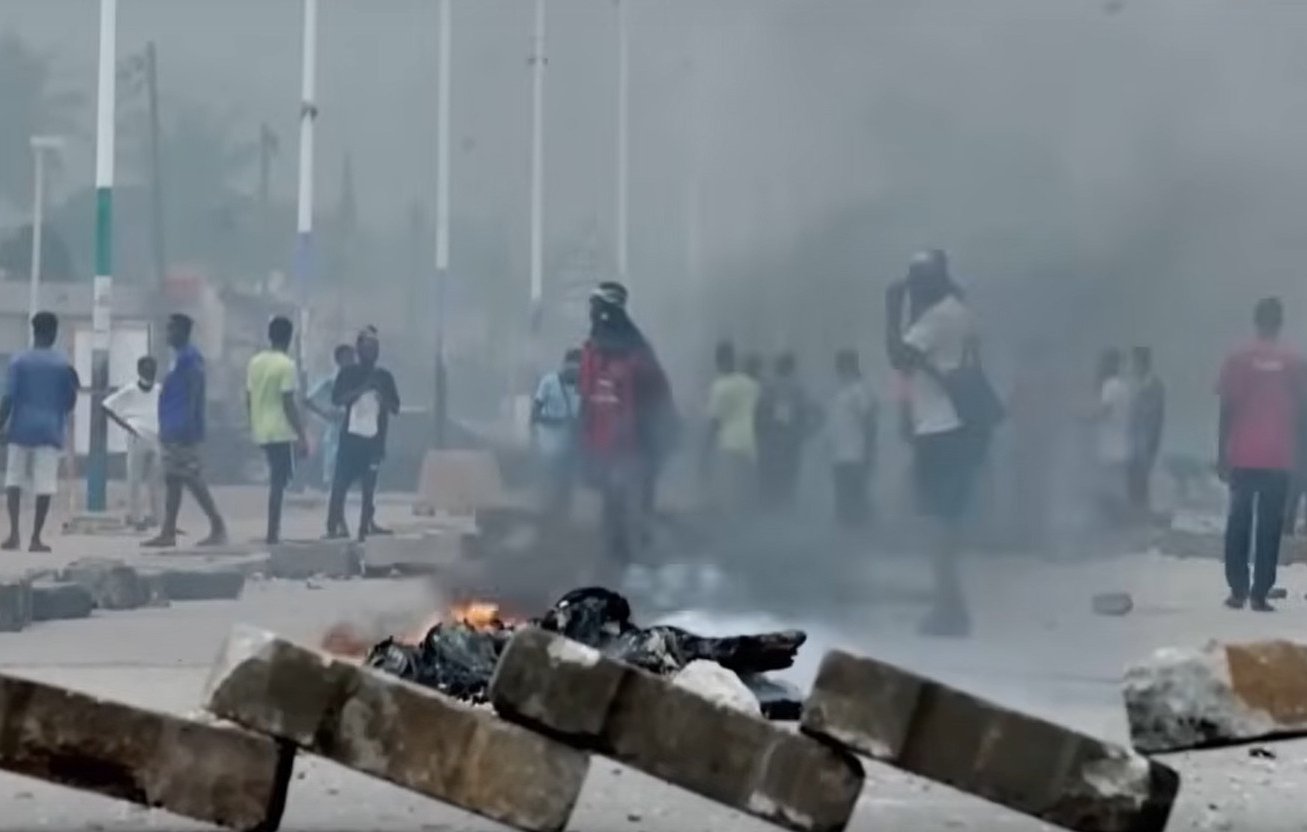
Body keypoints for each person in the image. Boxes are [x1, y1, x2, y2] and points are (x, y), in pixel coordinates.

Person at [887, 249, 996, 637]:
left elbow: (898, 356)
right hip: (953, 427)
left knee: (937, 524)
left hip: (940, 429)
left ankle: (950, 609)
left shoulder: (937, 318)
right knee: (944, 522)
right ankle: (951, 605)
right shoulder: (959, 310)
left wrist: (891, 308)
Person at [1217, 297, 1305, 612]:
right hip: (1278, 456)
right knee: (1270, 526)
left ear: (1256, 321)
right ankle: (1260, 592)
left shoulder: (1238, 358)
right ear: (1279, 323)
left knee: (1238, 521)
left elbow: (1227, 407)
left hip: (1243, 452)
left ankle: (1237, 589)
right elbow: (1301, 414)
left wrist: (1221, 452)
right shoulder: (1294, 361)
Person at [578, 282, 674, 566]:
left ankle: (636, 553)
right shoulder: (594, 350)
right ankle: (617, 551)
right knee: (612, 501)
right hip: (605, 441)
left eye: (596, 308)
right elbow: (586, 398)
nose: (592, 314)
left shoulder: (637, 354)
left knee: (630, 498)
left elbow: (657, 399)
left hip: (633, 442)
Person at [143, 314, 227, 547]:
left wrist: (188, 424)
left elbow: (194, 392)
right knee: (173, 480)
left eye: (171, 330)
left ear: (182, 332)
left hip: (182, 429)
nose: (167, 334)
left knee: (191, 477)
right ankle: (168, 531)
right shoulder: (177, 357)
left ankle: (218, 526)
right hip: (171, 427)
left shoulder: (191, 358)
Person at [0, 312, 78, 552]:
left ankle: (13, 534)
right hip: (49, 430)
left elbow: (8, 398)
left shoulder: (18, 361)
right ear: (54, 333)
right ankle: (36, 538)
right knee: (45, 484)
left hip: (20, 428)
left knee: (14, 479)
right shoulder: (63, 364)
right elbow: (70, 401)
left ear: (34, 331)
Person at [326, 326, 400, 541]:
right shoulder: (348, 374)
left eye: (375, 347)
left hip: (374, 440)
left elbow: (395, 407)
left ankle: (366, 524)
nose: (371, 352)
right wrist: (361, 390)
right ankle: (334, 524)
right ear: (358, 350)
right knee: (340, 484)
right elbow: (337, 400)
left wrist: (381, 397)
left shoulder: (384, 376)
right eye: (367, 347)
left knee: (370, 485)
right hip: (351, 439)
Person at [247, 316, 308, 545]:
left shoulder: (255, 362)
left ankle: (273, 530)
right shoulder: (287, 365)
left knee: (278, 478)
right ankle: (273, 532)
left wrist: (253, 421)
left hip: (261, 428)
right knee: (278, 482)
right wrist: (301, 434)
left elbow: (248, 397)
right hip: (281, 431)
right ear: (289, 338)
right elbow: (288, 402)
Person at [703, 340, 761, 514]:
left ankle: (731, 531)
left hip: (729, 447)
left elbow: (715, 423)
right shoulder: (751, 384)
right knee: (746, 496)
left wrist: (704, 454)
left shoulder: (720, 386)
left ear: (718, 361)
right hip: (750, 446)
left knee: (730, 497)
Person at [103, 356, 161, 530]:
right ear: (140, 371)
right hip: (137, 436)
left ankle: (156, 516)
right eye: (146, 368)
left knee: (155, 480)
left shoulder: (159, 389)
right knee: (134, 479)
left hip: (157, 437)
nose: (149, 371)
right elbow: (106, 406)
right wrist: (126, 426)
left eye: (152, 368)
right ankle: (136, 517)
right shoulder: (130, 390)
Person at [756, 353, 814, 509]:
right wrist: (806, 431)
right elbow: (807, 411)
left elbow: (760, 411)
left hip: (773, 437)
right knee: (788, 471)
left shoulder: (770, 387)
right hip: (788, 437)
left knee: (771, 470)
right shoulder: (796, 388)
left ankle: (771, 502)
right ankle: (785, 502)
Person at [531, 348, 582, 519]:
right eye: (572, 367)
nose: (574, 373)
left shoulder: (585, 386)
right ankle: (547, 512)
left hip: (571, 444)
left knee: (566, 481)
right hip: (549, 442)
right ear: (564, 365)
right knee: (551, 478)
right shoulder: (549, 382)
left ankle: (562, 516)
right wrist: (558, 421)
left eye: (578, 369)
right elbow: (535, 414)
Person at [828, 349, 877, 527]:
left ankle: (862, 534)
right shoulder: (842, 391)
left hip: (855, 454)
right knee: (843, 500)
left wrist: (868, 452)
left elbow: (869, 421)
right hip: (840, 454)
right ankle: (846, 537)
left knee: (855, 498)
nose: (837, 369)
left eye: (840, 365)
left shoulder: (860, 390)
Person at [306, 344, 356, 492]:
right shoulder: (331, 380)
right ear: (340, 360)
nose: (353, 361)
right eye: (349, 357)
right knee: (334, 461)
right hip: (336, 428)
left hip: (355, 427)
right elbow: (308, 400)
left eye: (353, 357)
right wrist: (325, 413)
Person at [1127, 346, 1166, 520]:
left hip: (1147, 438)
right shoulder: (1140, 383)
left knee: (1140, 476)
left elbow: (1153, 414)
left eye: (1135, 362)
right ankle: (1137, 511)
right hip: (1137, 437)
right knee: (1135, 475)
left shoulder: (1153, 385)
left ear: (1142, 363)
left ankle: (1140, 512)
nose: (1133, 367)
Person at [1094, 348, 1131, 525]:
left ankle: (1110, 523)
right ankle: (1119, 521)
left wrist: (1083, 417)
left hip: (1109, 445)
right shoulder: (1124, 386)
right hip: (1121, 444)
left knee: (1107, 487)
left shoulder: (1109, 386)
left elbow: (1105, 411)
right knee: (1116, 487)